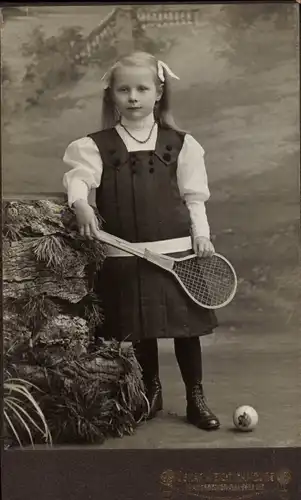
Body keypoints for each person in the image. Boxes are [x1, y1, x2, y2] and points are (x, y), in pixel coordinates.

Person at [62, 51, 220, 431]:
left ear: (159, 92)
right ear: (112, 95)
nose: (133, 97)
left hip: (176, 254)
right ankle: (152, 392)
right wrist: (79, 203)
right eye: (124, 90)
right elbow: (80, 178)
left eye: (142, 88)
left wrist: (201, 235)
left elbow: (194, 196)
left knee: (186, 330)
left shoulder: (181, 144)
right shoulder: (96, 145)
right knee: (141, 329)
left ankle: (195, 397)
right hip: (126, 255)